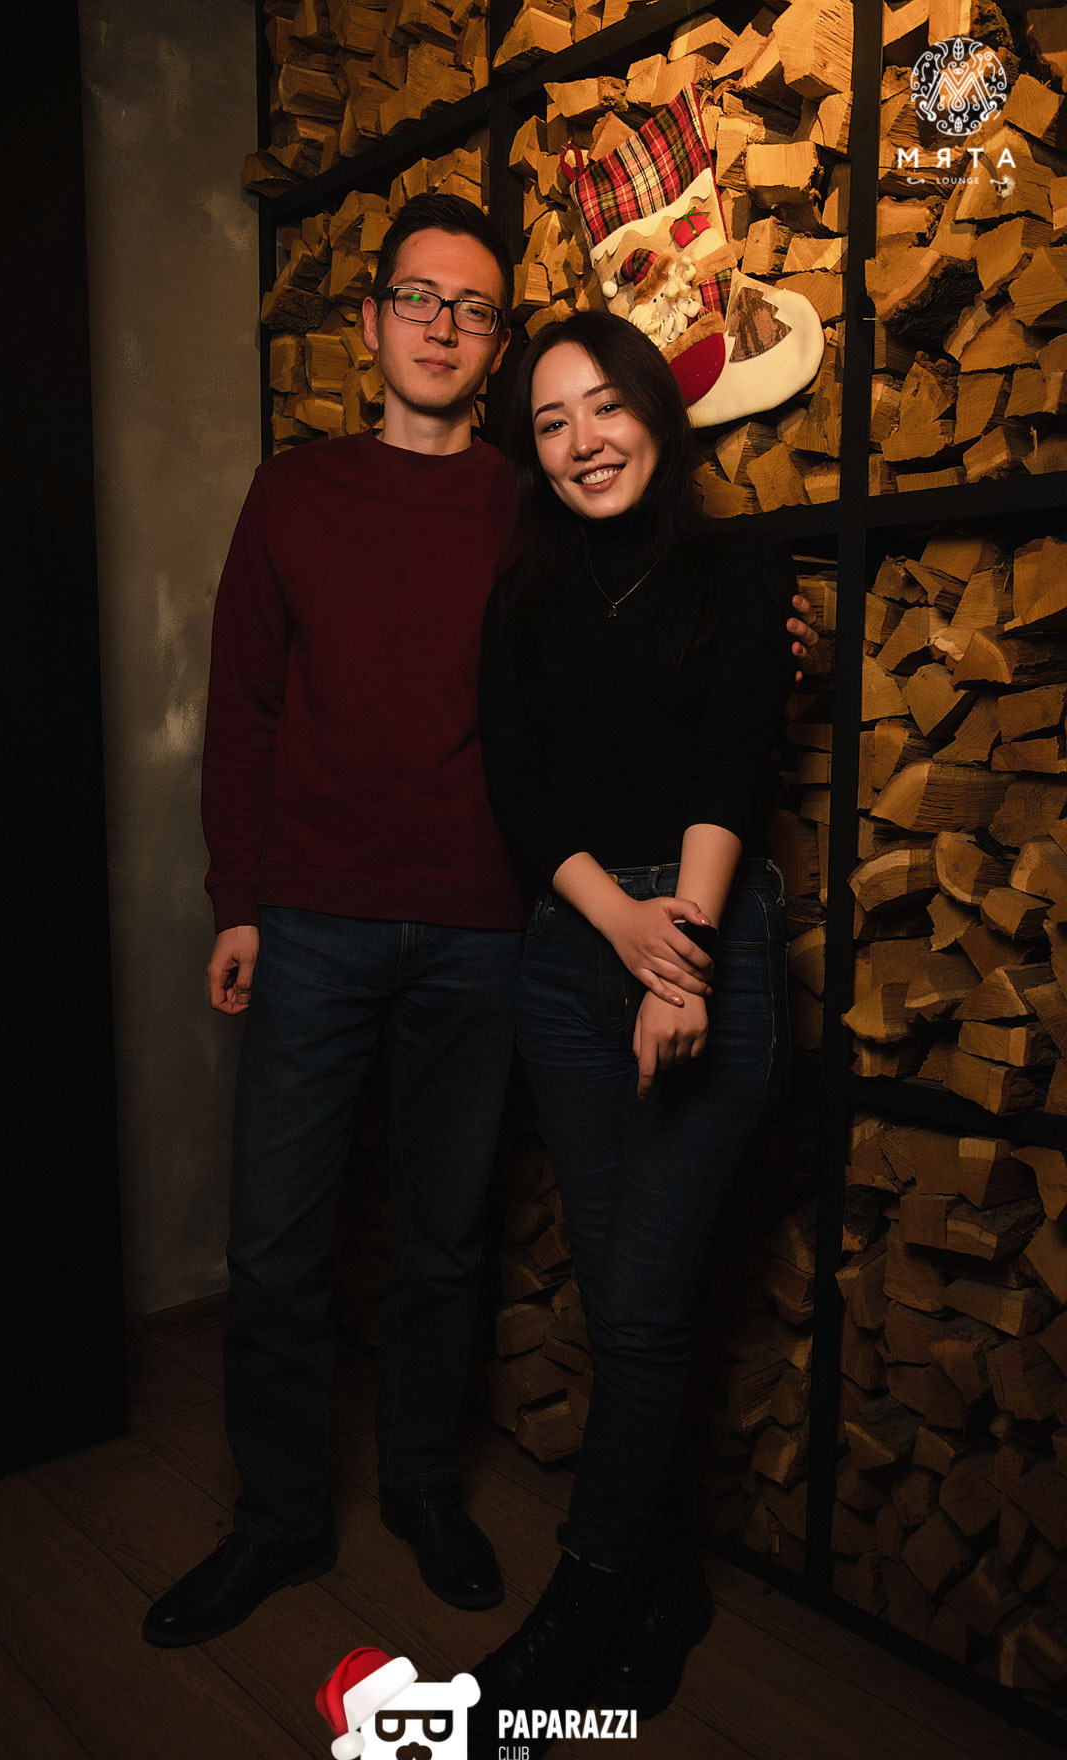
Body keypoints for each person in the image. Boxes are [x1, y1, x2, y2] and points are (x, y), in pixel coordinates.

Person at [141, 195, 818, 1651]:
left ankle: (423, 1488)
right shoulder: (294, 491)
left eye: (473, 308)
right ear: (371, 320)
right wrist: (236, 900)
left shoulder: (536, 500)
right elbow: (244, 709)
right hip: (312, 916)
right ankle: (276, 1518)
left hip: (490, 926)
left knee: (445, 1239)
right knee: (276, 1243)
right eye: (418, 298)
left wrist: (770, 632)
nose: (443, 326)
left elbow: (657, 617)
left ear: (495, 340)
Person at [466, 310, 796, 1760]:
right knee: (622, 1303)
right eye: (551, 421)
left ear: (658, 412)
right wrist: (618, 931)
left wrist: (684, 957)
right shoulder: (524, 591)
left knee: (649, 1309)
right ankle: (663, 1593)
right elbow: (517, 783)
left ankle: (582, 1605)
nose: (584, 440)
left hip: (705, 938)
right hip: (571, 953)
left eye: (605, 407)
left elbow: (731, 760)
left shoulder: (741, 568)